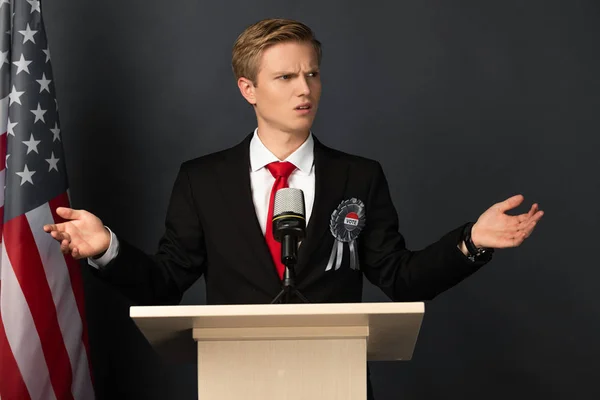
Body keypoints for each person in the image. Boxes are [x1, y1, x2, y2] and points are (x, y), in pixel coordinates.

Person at [43, 18, 543, 399]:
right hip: (234, 375)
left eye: (312, 74)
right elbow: (166, 280)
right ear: (249, 89)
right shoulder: (203, 179)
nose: (304, 89)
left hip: (335, 375)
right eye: (285, 77)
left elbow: (401, 277)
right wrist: (106, 248)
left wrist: (471, 242)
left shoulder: (359, 176)